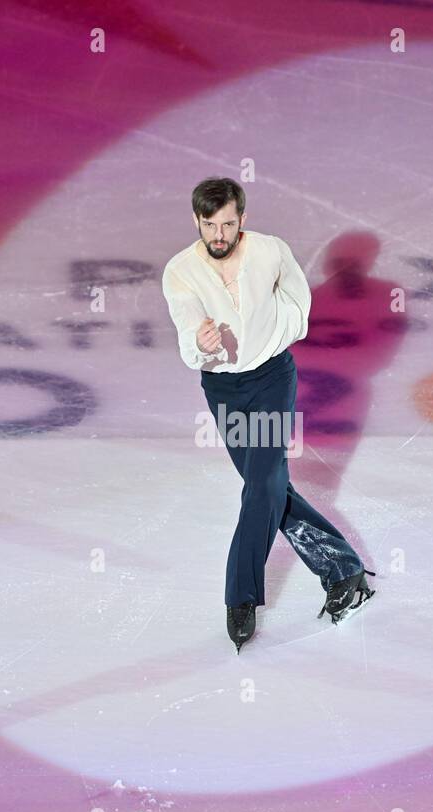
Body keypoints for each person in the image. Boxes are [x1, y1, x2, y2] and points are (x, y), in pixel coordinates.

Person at [161, 177, 375, 652]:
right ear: (196, 219)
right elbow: (185, 329)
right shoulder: (180, 271)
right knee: (271, 485)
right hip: (224, 387)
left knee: (261, 484)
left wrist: (269, 335)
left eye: (228, 224)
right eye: (210, 225)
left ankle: (240, 598)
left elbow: (300, 304)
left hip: (273, 379)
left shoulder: (271, 252)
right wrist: (201, 342)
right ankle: (343, 570)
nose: (219, 235)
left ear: (243, 219)